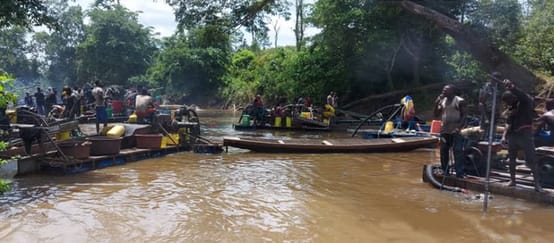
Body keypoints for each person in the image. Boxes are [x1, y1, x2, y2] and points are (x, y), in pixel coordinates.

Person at [499, 78, 543, 192]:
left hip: (525, 134)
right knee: (511, 158)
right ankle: (513, 180)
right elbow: (508, 123)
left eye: (508, 101)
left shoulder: (525, 103)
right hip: (513, 135)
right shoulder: (512, 108)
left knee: (531, 159)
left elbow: (522, 95)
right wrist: (504, 136)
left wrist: (512, 87)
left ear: (513, 98)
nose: (508, 104)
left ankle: (537, 184)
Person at [433, 84, 466, 178]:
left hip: (455, 130)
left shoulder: (459, 101)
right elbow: (436, 114)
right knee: (443, 150)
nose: (443, 91)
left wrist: (459, 128)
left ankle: (460, 172)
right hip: (445, 130)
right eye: (443, 90)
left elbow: (464, 116)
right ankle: (445, 171)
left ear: (452, 91)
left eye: (446, 90)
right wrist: (436, 103)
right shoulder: (442, 101)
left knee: (457, 151)